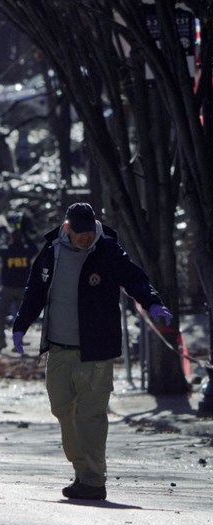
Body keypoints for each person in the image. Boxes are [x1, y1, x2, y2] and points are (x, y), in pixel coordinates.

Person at [12, 203, 172, 501]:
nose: (86, 237)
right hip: (59, 349)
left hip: (96, 350)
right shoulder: (51, 252)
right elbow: (34, 291)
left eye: (90, 231)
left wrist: (152, 302)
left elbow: (134, 278)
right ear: (67, 227)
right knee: (62, 411)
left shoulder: (108, 251)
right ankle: (83, 470)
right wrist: (20, 325)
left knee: (92, 416)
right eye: (80, 232)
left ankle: (93, 480)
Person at [0, 213, 38, 353]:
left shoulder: (6, 252)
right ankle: (17, 343)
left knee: (1, 316)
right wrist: (25, 234)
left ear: (12, 238)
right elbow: (35, 248)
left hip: (7, 288)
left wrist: (5, 236)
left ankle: (1, 342)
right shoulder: (27, 252)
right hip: (22, 289)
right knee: (20, 319)